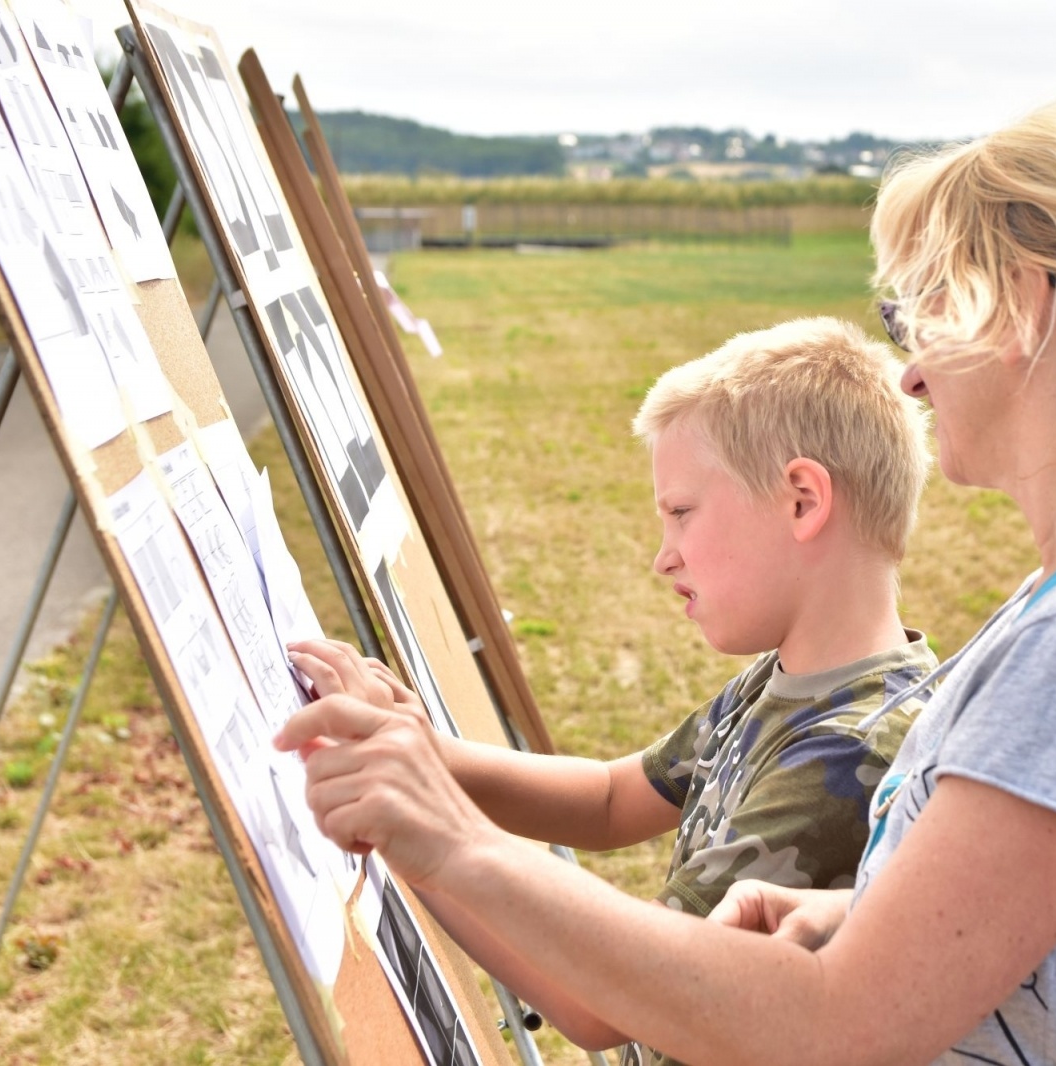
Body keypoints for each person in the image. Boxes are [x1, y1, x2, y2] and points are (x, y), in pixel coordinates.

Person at [280, 57, 1056, 1065]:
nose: (911, 372)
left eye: (916, 310)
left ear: (1022, 305)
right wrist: (863, 918)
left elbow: (837, 1028)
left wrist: (449, 842)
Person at [290, 315, 937, 1061]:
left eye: (682, 514)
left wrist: (418, 837)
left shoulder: (845, 753)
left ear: (801, 500)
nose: (664, 559)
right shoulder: (791, 678)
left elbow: (609, 1005)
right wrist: (423, 753)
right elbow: (607, 798)